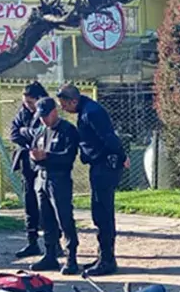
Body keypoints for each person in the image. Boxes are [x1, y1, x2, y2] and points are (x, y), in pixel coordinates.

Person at [56, 84, 128, 276]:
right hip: (99, 165)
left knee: (103, 213)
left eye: (64, 104)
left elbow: (109, 138)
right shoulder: (86, 110)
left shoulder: (92, 112)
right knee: (99, 212)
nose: (62, 108)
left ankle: (107, 261)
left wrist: (121, 157)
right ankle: (103, 257)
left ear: (73, 101)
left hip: (105, 166)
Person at [29, 98, 81, 276]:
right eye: (40, 116)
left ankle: (71, 257)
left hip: (59, 180)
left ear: (54, 111)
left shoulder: (67, 130)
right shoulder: (41, 130)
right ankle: (50, 254)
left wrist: (47, 156)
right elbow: (33, 150)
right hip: (41, 179)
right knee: (46, 219)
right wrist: (35, 157)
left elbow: (68, 156)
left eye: (45, 116)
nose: (43, 120)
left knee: (64, 218)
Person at [9, 81, 59, 259]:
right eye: (25, 102)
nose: (26, 105)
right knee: (30, 202)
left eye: (30, 102)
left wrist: (26, 132)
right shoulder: (22, 113)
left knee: (48, 204)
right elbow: (13, 133)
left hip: (44, 165)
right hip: (26, 164)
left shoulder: (46, 111)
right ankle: (32, 242)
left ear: (39, 99)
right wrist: (27, 135)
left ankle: (54, 242)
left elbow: (42, 134)